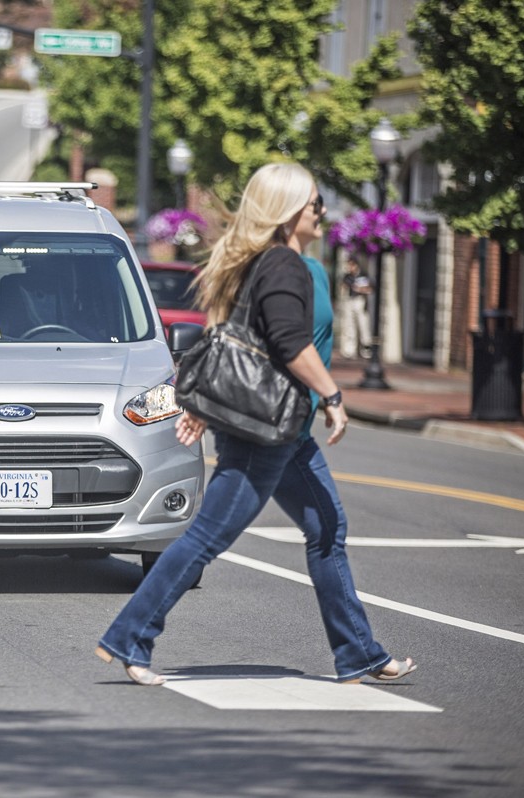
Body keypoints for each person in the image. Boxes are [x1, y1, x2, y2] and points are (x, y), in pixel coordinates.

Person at [95, 162, 416, 686]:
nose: (322, 212)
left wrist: (204, 407)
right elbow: (289, 343)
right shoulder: (284, 264)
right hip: (264, 430)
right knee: (206, 538)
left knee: (327, 530)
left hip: (282, 430)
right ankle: (130, 637)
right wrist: (333, 395)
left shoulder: (264, 262)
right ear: (291, 212)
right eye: (315, 204)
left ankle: (359, 653)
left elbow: (235, 340)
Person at [338, 256, 372, 358]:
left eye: (350, 265)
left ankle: (366, 349)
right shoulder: (347, 276)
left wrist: (360, 289)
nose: (349, 267)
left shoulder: (363, 275)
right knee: (349, 325)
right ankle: (350, 350)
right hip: (350, 300)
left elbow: (369, 289)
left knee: (363, 324)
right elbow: (343, 287)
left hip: (360, 301)